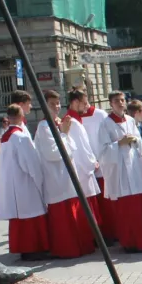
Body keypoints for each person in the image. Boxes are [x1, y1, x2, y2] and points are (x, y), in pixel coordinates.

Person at [35, 90, 95, 258]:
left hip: (67, 176)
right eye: (52, 104)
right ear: (44, 106)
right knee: (63, 219)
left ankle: (81, 246)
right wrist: (64, 133)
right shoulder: (44, 126)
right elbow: (52, 153)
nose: (56, 107)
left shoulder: (58, 122)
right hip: (56, 178)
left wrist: (64, 133)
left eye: (58, 103)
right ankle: (67, 250)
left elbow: (72, 147)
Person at [101, 97, 142, 252]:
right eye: (116, 101)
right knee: (127, 211)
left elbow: (139, 143)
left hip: (134, 168)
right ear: (111, 104)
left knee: (140, 209)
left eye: (122, 100)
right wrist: (119, 143)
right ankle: (130, 243)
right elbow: (103, 151)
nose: (121, 103)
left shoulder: (130, 120)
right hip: (120, 172)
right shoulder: (106, 124)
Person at [0, 104, 49, 260]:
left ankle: (23, 249)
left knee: (21, 218)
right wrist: (40, 181)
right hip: (25, 183)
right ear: (21, 117)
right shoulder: (21, 137)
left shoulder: (5, 137)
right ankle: (34, 248)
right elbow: (31, 164)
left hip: (12, 184)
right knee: (31, 215)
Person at [63, 88, 108, 238]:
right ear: (75, 102)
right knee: (89, 205)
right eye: (84, 102)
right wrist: (92, 163)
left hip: (82, 169)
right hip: (83, 170)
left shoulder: (72, 120)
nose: (86, 105)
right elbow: (81, 148)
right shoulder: (73, 122)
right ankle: (95, 237)